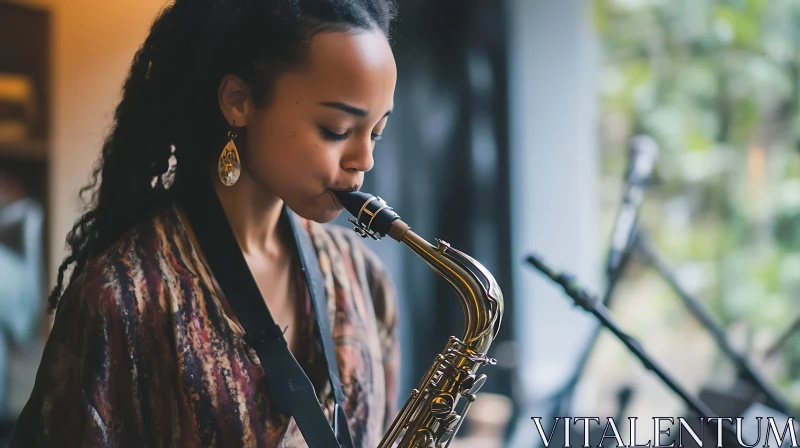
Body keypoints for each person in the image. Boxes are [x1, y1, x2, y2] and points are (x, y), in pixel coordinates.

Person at [10, 0, 400, 446]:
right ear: (238, 101)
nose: (364, 160)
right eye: (336, 128)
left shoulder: (365, 279)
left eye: (376, 132)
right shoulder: (121, 298)